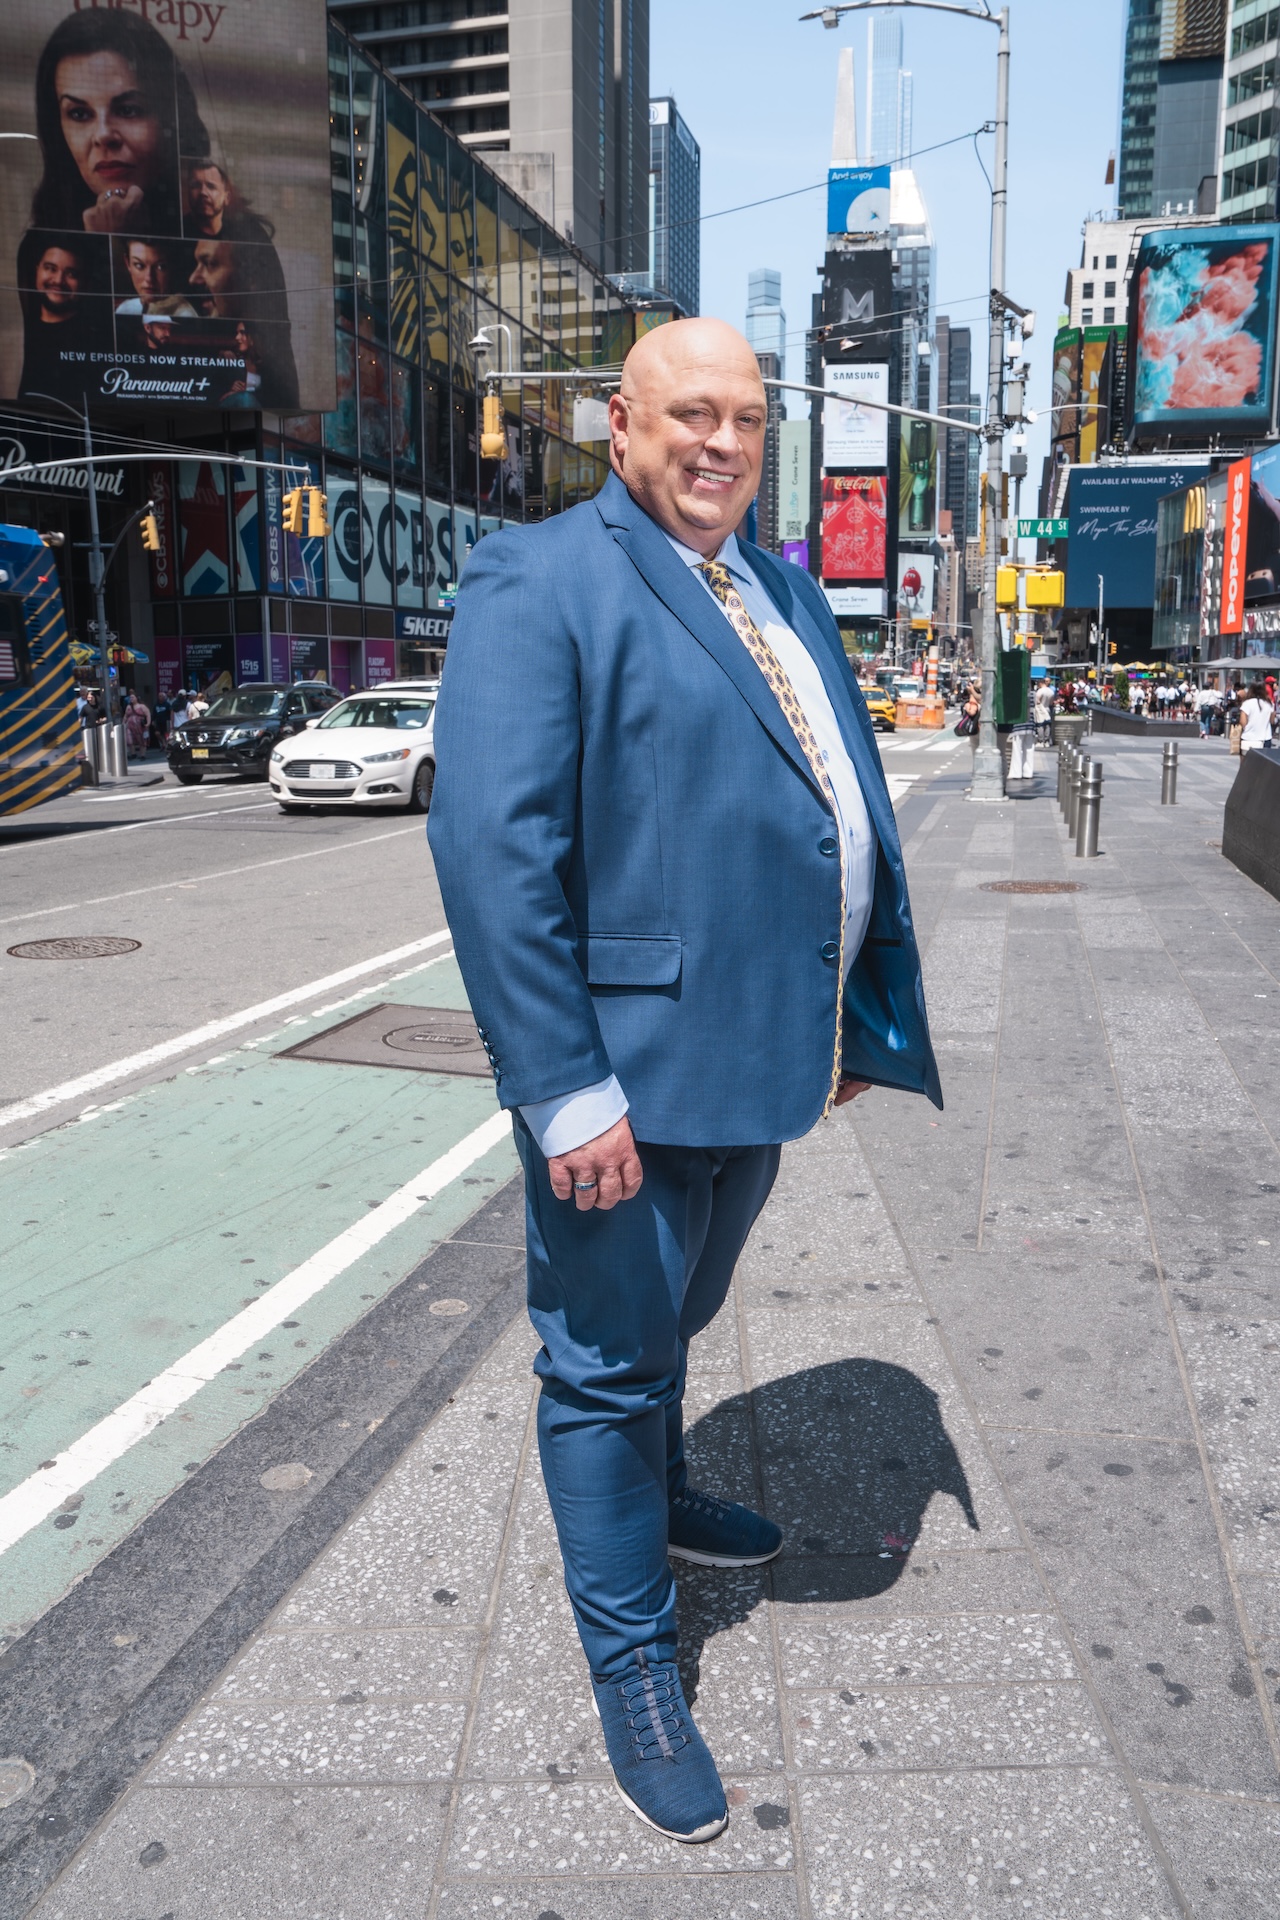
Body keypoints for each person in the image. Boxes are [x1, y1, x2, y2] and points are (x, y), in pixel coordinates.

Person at [428, 318, 941, 1846]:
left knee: (679, 1318)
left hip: (764, 1061)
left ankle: (654, 1491)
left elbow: (829, 797)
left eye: (749, 418)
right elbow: (492, 850)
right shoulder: (544, 578)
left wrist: (851, 1012)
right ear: (620, 423)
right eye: (691, 414)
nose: (722, 443)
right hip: (628, 1084)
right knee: (604, 1363)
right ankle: (637, 1665)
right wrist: (565, 1092)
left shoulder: (783, 587)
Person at [29, 9, 210, 237]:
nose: (103, 135)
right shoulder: (43, 244)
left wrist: (113, 245)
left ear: (172, 120)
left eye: (128, 110)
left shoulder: (232, 236)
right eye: (79, 114)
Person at [17, 230, 101, 397]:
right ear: (37, 271)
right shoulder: (20, 332)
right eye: (50, 268)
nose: (58, 280)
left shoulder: (96, 338)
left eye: (71, 274)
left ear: (86, 284)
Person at [1239, 683, 1274, 754]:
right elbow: (1272, 721)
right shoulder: (1269, 704)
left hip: (1248, 738)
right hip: (1265, 738)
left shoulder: (1247, 703)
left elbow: (1243, 722)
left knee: (1246, 763)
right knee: (1264, 764)